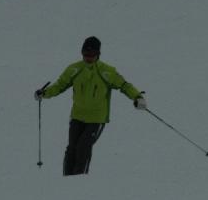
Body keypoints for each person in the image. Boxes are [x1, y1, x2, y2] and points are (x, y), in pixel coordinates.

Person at [34, 36, 147, 176]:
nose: (88, 57)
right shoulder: (74, 69)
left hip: (96, 119)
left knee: (83, 147)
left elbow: (124, 85)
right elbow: (60, 85)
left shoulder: (107, 71)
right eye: (85, 54)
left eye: (91, 54)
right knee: (71, 149)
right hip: (77, 116)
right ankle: (66, 180)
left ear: (98, 54)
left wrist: (137, 97)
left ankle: (79, 180)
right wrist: (44, 93)